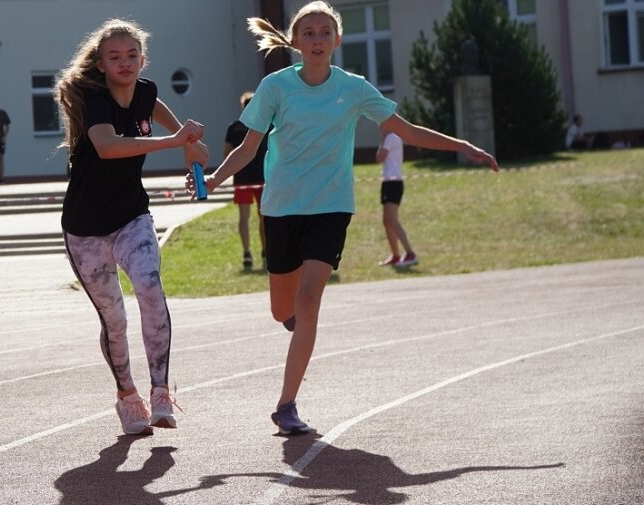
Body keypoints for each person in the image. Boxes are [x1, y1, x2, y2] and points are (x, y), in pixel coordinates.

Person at [188, 0, 498, 435]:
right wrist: (218, 177)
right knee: (283, 310)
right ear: (295, 42)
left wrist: (462, 145)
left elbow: (406, 130)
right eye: (308, 32)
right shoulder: (275, 87)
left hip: (331, 207)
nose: (317, 39)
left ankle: (286, 405)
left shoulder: (354, 89)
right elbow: (249, 146)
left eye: (324, 32)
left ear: (336, 40)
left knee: (310, 299)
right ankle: (294, 320)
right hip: (281, 208)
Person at [55, 18, 208, 436]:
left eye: (132, 55)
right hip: (85, 227)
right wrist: (175, 142)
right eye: (115, 57)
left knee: (149, 288)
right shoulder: (93, 98)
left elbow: (184, 139)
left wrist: (193, 153)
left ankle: (161, 392)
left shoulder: (148, 93)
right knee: (115, 320)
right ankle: (128, 396)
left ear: (143, 59)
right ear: (101, 64)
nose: (125, 63)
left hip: (130, 217)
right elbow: (107, 147)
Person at [224, 91, 268, 269]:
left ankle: (247, 253)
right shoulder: (265, 125)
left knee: (244, 217)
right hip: (261, 176)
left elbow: (226, 153)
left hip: (241, 177)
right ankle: (266, 252)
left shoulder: (233, 127)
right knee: (263, 217)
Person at [375, 130, 417, 268]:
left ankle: (410, 253)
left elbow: (379, 158)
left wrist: (382, 140)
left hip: (393, 183)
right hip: (389, 182)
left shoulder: (390, 137)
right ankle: (395, 255)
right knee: (387, 221)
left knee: (392, 220)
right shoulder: (392, 137)